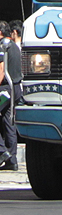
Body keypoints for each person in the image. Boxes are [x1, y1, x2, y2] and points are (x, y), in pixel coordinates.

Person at [0, 20, 22, 171]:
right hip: (15, 89)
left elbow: (1, 69)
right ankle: (12, 161)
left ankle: (3, 152)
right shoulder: (14, 46)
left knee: (8, 122)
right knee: (9, 123)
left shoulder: (2, 45)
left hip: (5, 90)